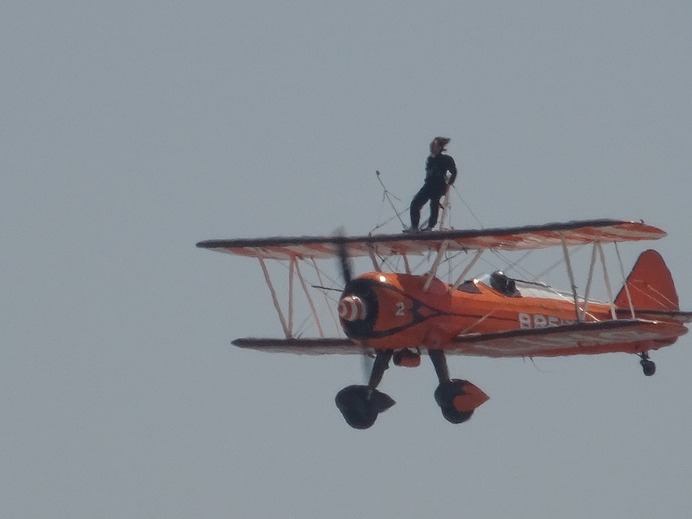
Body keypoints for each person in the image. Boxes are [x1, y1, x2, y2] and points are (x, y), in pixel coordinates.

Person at [407, 137, 457, 232]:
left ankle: (430, 226)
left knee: (434, 204)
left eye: (433, 147)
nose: (431, 149)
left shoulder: (446, 159)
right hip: (428, 185)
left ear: (439, 148)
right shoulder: (430, 159)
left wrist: (449, 183)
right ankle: (414, 226)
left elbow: (453, 172)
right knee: (415, 204)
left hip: (438, 185)